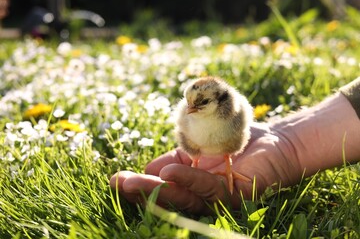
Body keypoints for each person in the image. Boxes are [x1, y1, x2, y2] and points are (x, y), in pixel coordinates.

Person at [109, 78, 360, 214]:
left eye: (200, 103)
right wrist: (290, 140)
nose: (190, 109)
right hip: (201, 143)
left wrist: (289, 145)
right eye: (189, 103)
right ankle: (195, 165)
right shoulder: (191, 113)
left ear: (219, 101)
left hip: (229, 142)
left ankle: (227, 168)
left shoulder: (233, 113)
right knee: (191, 151)